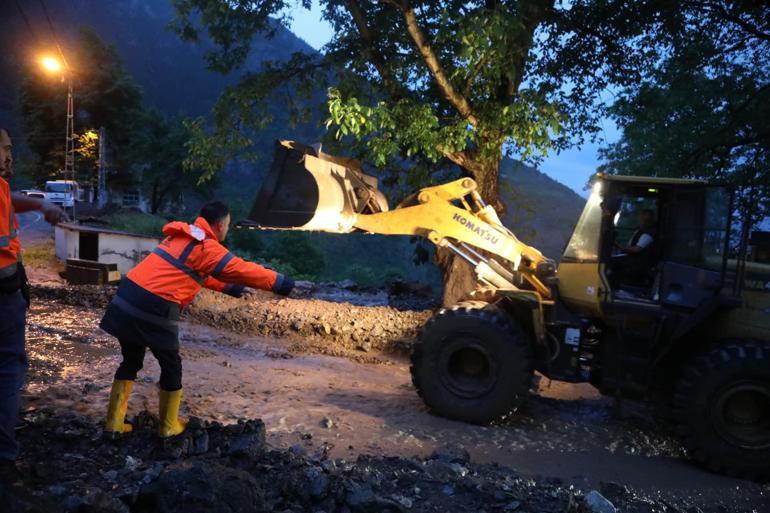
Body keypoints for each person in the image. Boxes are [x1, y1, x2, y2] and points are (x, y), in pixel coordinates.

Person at [100, 200, 295, 438]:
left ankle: (114, 424)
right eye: (229, 225)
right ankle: (168, 426)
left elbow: (198, 273)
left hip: (126, 297)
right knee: (171, 365)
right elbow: (240, 268)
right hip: (155, 305)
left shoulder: (182, 238)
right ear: (221, 225)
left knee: (131, 362)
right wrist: (280, 283)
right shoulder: (207, 247)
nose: (228, 229)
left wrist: (232, 289)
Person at [1, 127, 65, 476]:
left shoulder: (1, 187)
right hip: (4, 295)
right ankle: (5, 455)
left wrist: (40, 203)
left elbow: (10, 199)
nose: (10, 155)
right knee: (9, 369)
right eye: (5, 148)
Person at [613, 208, 657, 287]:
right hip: (634, 260)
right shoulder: (640, 230)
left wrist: (620, 247)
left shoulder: (648, 233)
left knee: (613, 263)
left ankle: (619, 286)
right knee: (614, 259)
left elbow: (636, 249)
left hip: (638, 263)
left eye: (644, 219)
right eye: (641, 218)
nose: (641, 220)